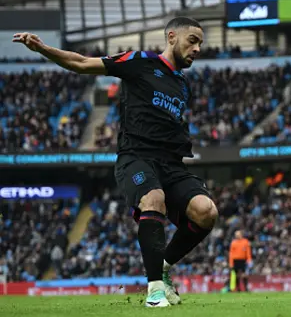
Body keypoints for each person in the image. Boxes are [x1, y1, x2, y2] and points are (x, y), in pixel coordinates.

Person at [13, 17, 218, 308]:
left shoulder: (182, 85)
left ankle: (163, 266)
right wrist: (45, 49)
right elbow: (83, 63)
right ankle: (155, 290)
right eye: (192, 40)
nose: (197, 48)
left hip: (171, 165)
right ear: (172, 37)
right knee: (154, 197)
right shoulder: (139, 61)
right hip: (136, 157)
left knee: (206, 212)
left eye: (200, 43)